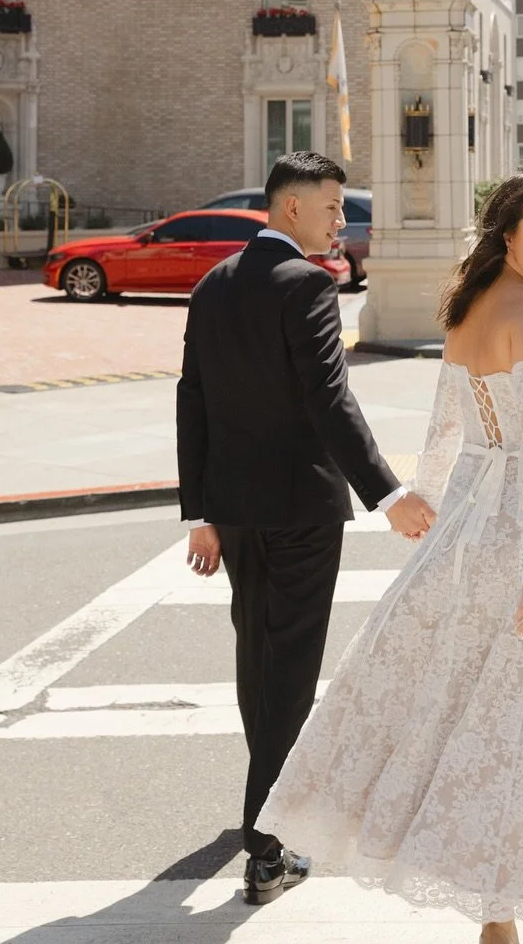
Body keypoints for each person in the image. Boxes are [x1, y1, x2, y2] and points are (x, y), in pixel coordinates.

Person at [258, 170, 523, 944]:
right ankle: (520, 889)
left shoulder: (474, 307)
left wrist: (430, 497)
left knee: (477, 707)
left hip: (477, 522)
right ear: (507, 235)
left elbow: (451, 422)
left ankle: (515, 891)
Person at [177, 150, 435, 905]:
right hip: (298, 514)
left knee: (258, 664)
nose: (340, 223)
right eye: (332, 208)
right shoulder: (307, 287)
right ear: (291, 209)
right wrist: (389, 496)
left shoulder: (213, 285)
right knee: (287, 677)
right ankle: (266, 849)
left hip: (237, 515)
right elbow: (331, 402)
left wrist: (202, 515)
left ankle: (267, 808)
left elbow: (193, 403)